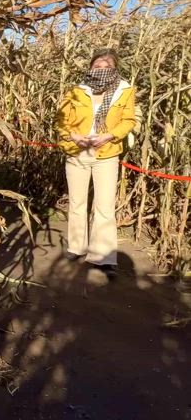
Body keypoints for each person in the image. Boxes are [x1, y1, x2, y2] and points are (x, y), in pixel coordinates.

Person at [55, 48, 136, 275]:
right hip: (77, 152)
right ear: (91, 67)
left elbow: (128, 120)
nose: (102, 70)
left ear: (115, 68)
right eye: (98, 66)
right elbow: (61, 121)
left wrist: (109, 136)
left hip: (107, 153)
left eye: (107, 67)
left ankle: (103, 256)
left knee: (104, 206)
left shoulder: (125, 90)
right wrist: (73, 136)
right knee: (77, 202)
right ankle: (76, 247)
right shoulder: (76, 90)